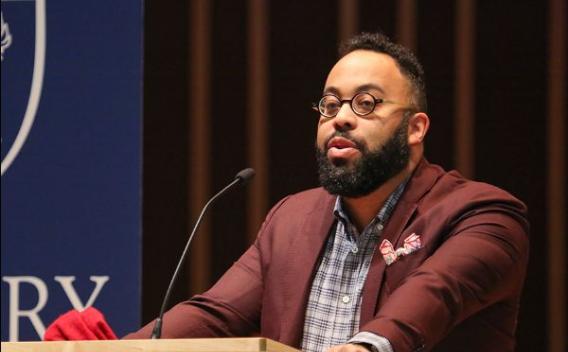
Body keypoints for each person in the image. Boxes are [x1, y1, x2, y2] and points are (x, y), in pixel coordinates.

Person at [125, 32, 529, 352]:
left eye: (366, 104)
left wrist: (365, 347)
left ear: (415, 127)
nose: (342, 119)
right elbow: (215, 315)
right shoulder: (291, 220)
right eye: (331, 105)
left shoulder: (483, 216)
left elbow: (437, 292)